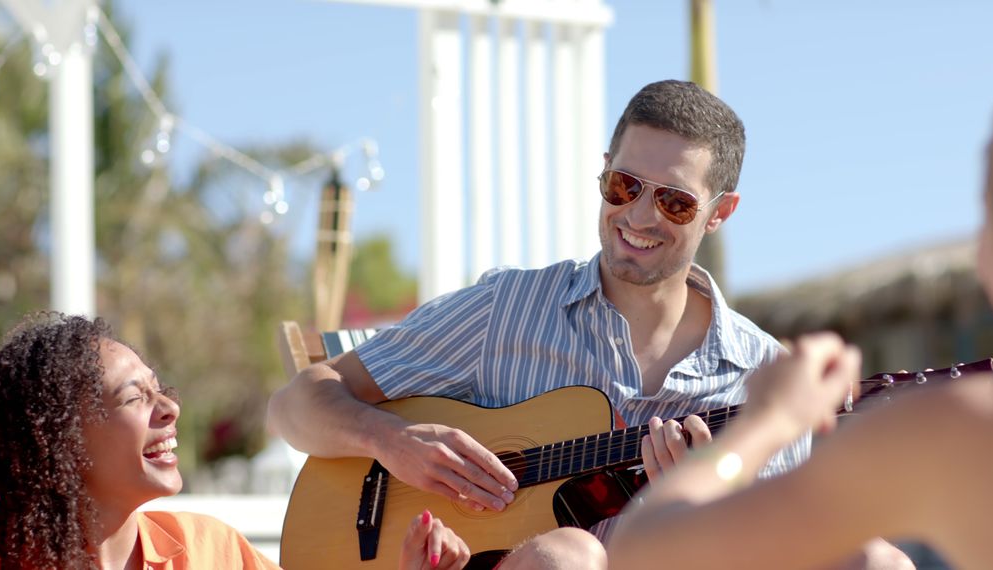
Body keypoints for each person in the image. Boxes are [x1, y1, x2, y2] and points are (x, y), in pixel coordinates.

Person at [269, 80, 907, 569]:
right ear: (603, 171)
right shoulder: (507, 309)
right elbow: (296, 405)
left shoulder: (765, 381)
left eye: (676, 200)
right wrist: (391, 442)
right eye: (624, 184)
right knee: (567, 556)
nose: (639, 215)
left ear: (721, 212)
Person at [607, 67, 993, 569]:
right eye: (624, 185)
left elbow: (643, 547)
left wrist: (765, 424)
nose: (642, 214)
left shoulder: (981, 420)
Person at [0, 313, 469, 570]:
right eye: (134, 398)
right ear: (62, 439)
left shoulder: (210, 550)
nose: (169, 409)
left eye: (159, 387)